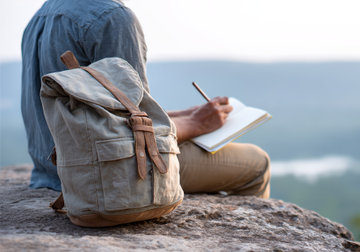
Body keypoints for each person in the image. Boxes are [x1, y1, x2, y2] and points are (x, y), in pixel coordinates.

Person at [22, 0, 270, 198]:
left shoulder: (42, 16)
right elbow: (139, 138)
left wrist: (187, 115)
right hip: (102, 172)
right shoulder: (112, 17)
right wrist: (199, 125)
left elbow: (107, 112)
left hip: (52, 171)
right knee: (257, 164)